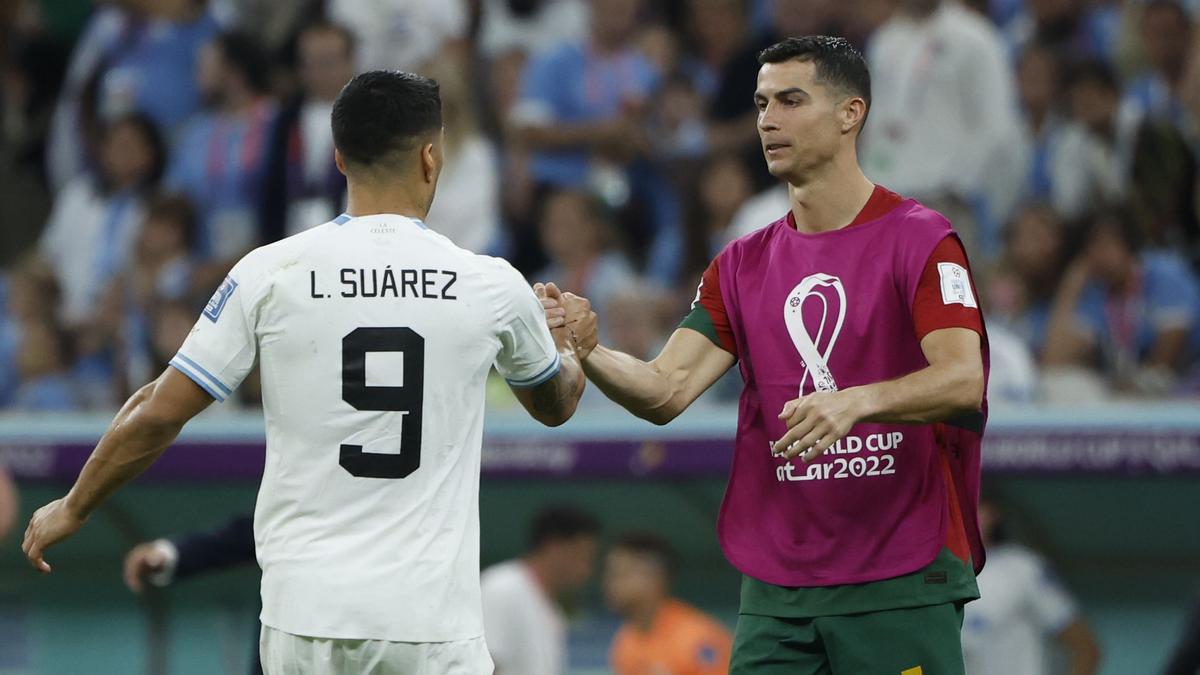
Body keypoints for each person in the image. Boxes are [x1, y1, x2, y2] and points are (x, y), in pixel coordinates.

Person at [22, 70, 587, 674]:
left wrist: (75, 505)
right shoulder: (489, 282)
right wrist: (572, 348)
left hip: (304, 619)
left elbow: (157, 411)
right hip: (429, 624)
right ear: (430, 157)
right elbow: (554, 404)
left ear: (339, 158)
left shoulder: (270, 271)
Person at [544, 36, 989, 673]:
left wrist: (856, 402)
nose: (767, 120)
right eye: (759, 104)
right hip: (780, 587)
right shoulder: (740, 264)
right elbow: (666, 389)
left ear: (850, 114)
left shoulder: (921, 239)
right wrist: (588, 350)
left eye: (790, 100)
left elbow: (961, 379)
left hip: (900, 568)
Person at [962, 495, 1101, 675]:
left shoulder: (1023, 567)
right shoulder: (935, 574)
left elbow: (1085, 646)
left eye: (976, 506)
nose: (966, 517)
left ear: (993, 513)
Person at [481, 506, 600, 675]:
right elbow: (486, 666)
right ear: (556, 547)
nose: (587, 569)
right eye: (584, 556)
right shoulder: (501, 588)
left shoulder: (552, 609)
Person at [606, 533, 733, 675]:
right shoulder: (625, 642)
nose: (610, 584)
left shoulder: (696, 637)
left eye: (621, 574)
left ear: (654, 577)